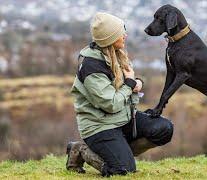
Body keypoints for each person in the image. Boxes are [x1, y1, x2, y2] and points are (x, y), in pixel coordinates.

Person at [65, 12, 174, 177]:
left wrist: (136, 84)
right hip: (99, 126)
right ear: (109, 38)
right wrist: (130, 84)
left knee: (164, 129)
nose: (125, 35)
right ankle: (81, 150)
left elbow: (127, 87)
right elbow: (111, 104)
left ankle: (119, 153)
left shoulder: (117, 55)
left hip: (123, 118)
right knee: (123, 169)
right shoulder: (91, 67)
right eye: (121, 32)